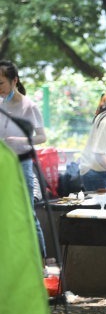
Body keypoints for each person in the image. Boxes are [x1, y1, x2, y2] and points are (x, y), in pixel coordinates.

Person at [0, 60, 47, 258]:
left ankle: (42, 261)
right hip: (4, 163)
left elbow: (42, 137)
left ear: (14, 81)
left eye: (1, 83)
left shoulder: (29, 106)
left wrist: (18, 139)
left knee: (28, 214)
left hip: (22, 164)